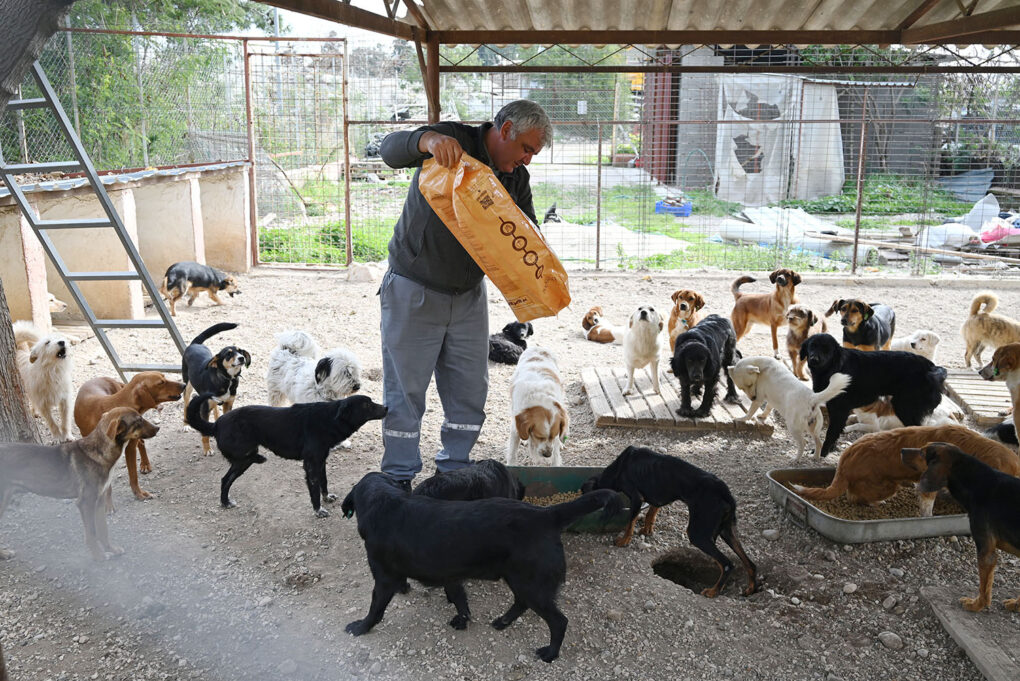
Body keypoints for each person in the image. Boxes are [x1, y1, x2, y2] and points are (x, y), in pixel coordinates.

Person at [377, 100, 552, 489]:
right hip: (413, 289)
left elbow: (528, 234)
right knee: (405, 392)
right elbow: (389, 150)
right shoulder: (454, 139)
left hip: (469, 297)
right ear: (505, 130)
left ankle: (453, 472)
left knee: (470, 392)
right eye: (526, 149)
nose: (527, 160)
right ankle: (399, 480)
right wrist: (427, 139)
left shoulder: (514, 179)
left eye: (533, 154)